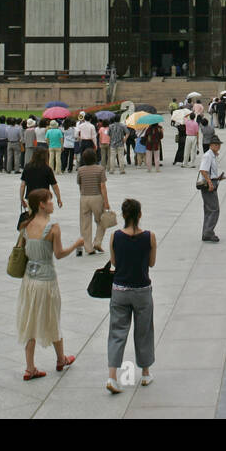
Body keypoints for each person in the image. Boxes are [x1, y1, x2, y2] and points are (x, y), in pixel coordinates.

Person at [16, 188, 85, 380]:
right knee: (52, 317)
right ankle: (61, 358)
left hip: (29, 279)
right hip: (47, 279)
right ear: (42, 205)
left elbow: (23, 249)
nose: (53, 204)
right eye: (50, 201)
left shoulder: (25, 226)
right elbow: (59, 254)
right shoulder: (52, 227)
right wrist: (76, 245)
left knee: (30, 320)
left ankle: (30, 367)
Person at [105, 198, 156, 393]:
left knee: (117, 332)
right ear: (139, 215)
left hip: (119, 290)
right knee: (144, 331)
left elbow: (114, 262)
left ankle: (112, 377)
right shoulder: (149, 237)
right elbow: (151, 263)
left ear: (123, 215)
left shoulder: (114, 236)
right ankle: (145, 373)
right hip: (142, 289)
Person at [76, 148, 111, 256]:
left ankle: (88, 247)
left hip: (84, 197)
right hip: (97, 197)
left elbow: (79, 184)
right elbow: (102, 186)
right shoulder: (100, 169)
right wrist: (106, 201)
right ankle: (97, 242)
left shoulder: (80, 170)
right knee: (101, 221)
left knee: (85, 223)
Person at [198, 136, 224, 242]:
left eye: (219, 145)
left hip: (212, 182)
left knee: (209, 210)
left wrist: (217, 178)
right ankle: (209, 232)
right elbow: (203, 170)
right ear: (211, 145)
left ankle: (206, 232)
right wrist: (210, 182)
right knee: (214, 209)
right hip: (208, 185)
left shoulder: (213, 156)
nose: (218, 146)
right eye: (216, 144)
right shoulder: (208, 156)